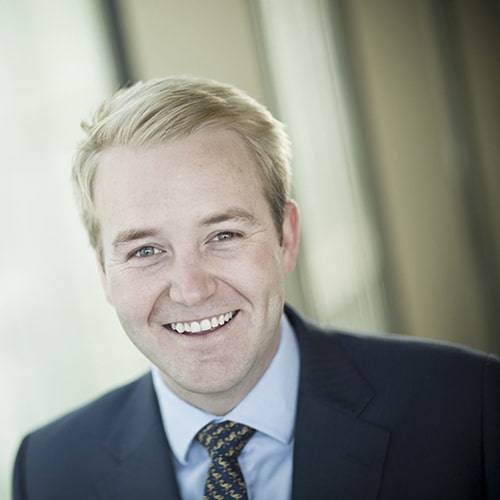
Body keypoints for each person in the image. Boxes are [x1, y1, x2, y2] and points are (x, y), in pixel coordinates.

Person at [13, 76, 500, 500]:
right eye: (145, 250)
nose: (192, 290)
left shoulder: (467, 409)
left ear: (286, 238)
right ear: (104, 275)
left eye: (223, 235)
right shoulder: (49, 470)